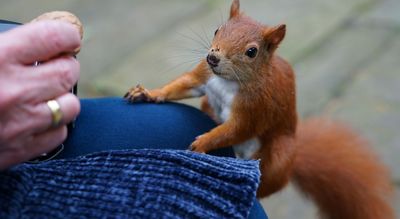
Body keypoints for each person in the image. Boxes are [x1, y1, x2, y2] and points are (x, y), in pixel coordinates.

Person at [0, 20, 268, 218]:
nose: (214, 55)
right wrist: (159, 93)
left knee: (196, 132)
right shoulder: (213, 68)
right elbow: (191, 82)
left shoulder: (254, 91)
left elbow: (241, 126)